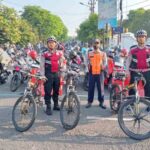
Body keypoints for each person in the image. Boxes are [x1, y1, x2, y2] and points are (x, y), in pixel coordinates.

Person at [40, 36, 65, 115]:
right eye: (49, 43)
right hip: (48, 74)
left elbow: (63, 63)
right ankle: (48, 107)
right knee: (47, 91)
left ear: (55, 44)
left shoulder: (60, 53)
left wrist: (63, 72)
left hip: (57, 74)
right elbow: (42, 66)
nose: (51, 44)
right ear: (47, 44)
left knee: (56, 90)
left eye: (52, 43)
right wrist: (42, 75)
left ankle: (56, 105)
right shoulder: (44, 54)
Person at [126, 29, 150, 98]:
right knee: (132, 89)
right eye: (139, 37)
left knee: (148, 89)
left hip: (147, 72)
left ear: (145, 38)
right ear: (137, 38)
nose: (141, 38)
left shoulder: (149, 49)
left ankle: (148, 106)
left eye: (143, 37)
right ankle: (130, 104)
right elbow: (128, 60)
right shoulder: (132, 49)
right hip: (135, 72)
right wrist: (127, 70)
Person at [86, 39, 106, 109]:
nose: (96, 44)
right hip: (92, 73)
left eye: (97, 43)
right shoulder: (89, 53)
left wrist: (103, 66)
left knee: (101, 88)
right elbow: (86, 61)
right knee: (91, 88)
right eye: (95, 43)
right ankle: (89, 102)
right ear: (93, 44)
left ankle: (101, 102)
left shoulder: (103, 53)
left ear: (99, 44)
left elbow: (105, 62)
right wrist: (87, 67)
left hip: (100, 73)